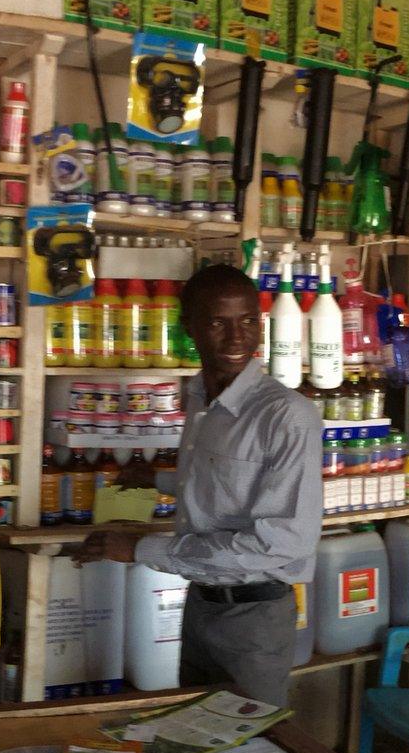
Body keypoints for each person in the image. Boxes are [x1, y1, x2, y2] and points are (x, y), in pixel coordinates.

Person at [75, 263, 323, 706]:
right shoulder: (200, 399)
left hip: (255, 617)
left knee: (248, 749)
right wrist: (161, 480)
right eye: (218, 323)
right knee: (193, 730)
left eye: (248, 322)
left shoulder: (287, 415)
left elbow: (282, 543)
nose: (237, 338)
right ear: (189, 327)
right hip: (201, 605)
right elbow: (226, 484)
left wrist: (139, 549)